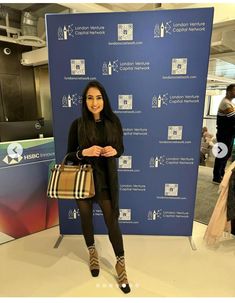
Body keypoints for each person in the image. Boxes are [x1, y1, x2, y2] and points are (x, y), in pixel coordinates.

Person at [66, 80, 131, 294]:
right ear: (85, 102)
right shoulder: (78, 125)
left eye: (98, 97)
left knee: (112, 222)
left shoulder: (114, 122)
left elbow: (120, 148)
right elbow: (68, 157)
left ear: (104, 99)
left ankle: (120, 263)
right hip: (84, 181)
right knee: (86, 219)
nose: (95, 102)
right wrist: (83, 153)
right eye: (90, 98)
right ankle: (92, 252)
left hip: (105, 182)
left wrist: (115, 152)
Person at [213, 84, 235, 184]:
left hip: (229, 134)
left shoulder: (230, 102)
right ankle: (216, 177)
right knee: (222, 154)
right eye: (234, 90)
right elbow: (233, 119)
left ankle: (221, 174)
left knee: (226, 154)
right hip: (224, 134)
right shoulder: (226, 103)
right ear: (229, 91)